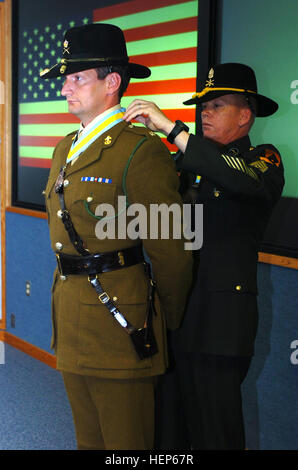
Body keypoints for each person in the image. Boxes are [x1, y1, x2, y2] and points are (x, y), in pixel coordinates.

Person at [40, 23, 192, 450]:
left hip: (122, 325)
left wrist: (164, 320)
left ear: (112, 83)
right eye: (65, 79)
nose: (66, 88)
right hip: (71, 317)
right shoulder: (63, 147)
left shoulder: (139, 150)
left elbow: (170, 250)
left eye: (77, 78)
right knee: (88, 438)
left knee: (126, 444)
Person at [123, 63, 285, 450]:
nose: (204, 113)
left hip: (221, 325)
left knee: (215, 432)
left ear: (245, 115)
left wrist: (174, 130)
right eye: (203, 106)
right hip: (177, 312)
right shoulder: (188, 164)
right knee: (170, 427)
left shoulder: (264, 160)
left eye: (216, 105)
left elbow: (239, 178)